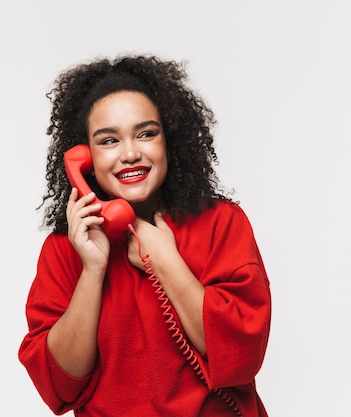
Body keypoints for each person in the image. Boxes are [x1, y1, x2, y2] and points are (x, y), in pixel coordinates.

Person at [18, 53, 272, 417]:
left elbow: (242, 353)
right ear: (83, 157)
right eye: (109, 141)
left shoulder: (223, 223)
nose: (131, 153)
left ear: (170, 140)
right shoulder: (64, 250)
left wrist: (166, 261)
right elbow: (58, 385)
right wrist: (92, 270)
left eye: (146, 133)